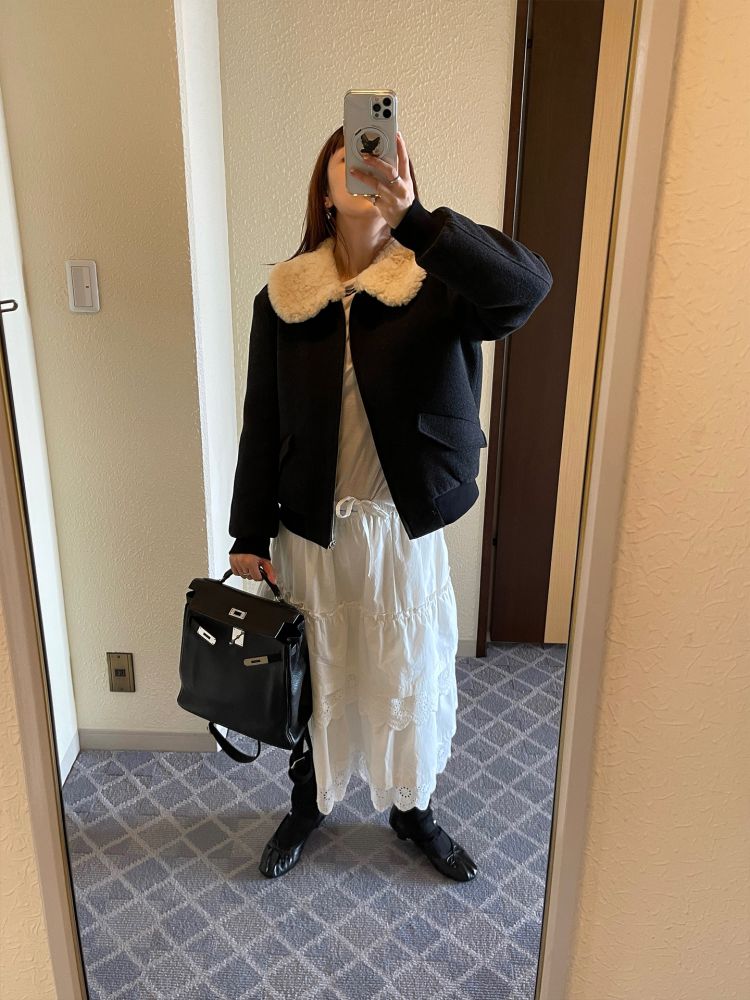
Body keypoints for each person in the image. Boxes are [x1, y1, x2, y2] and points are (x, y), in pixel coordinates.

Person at [228, 126, 553, 882]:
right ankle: (307, 804)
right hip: (311, 535)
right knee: (316, 678)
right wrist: (248, 532)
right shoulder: (284, 296)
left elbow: (526, 288)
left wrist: (418, 221)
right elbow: (261, 419)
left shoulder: (436, 279)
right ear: (323, 188)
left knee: (405, 675)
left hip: (400, 531)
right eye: (350, 156)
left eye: (383, 155)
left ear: (402, 176)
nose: (366, 166)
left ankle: (414, 812)